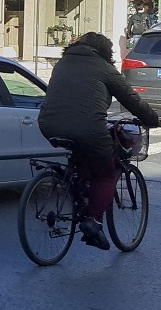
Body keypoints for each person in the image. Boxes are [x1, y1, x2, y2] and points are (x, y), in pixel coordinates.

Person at [37, 32, 160, 250]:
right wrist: (152, 119)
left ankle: (77, 189)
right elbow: (130, 99)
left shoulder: (62, 64)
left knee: (83, 158)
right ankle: (93, 221)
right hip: (87, 128)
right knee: (105, 173)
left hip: (48, 125)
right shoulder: (104, 68)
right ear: (105, 51)